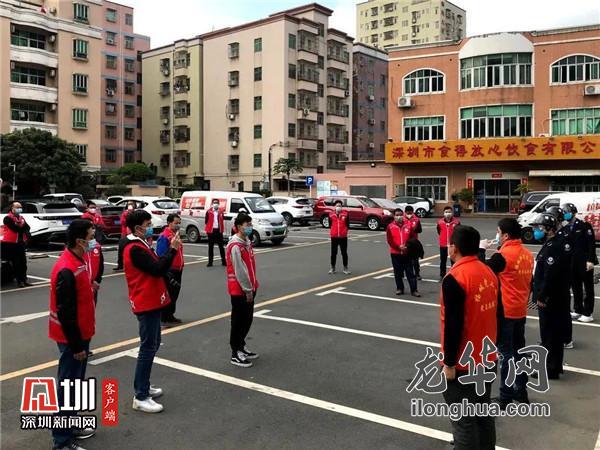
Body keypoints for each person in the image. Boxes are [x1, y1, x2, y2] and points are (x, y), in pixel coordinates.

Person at [440, 225, 498, 450]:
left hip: (464, 365)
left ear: (453, 248)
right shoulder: (488, 272)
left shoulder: (455, 278)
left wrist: (449, 363)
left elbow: (453, 326)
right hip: (487, 358)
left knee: (464, 421)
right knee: (483, 414)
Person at [123, 210, 181, 413]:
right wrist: (172, 250)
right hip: (145, 302)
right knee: (148, 347)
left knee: (153, 343)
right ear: (137, 228)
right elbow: (157, 269)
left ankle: (144, 386)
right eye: (147, 224)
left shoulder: (141, 243)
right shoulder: (134, 248)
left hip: (152, 301)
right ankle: (140, 396)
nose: (150, 227)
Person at [48, 219, 97, 450]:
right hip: (71, 338)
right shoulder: (66, 268)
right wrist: (77, 346)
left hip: (82, 332)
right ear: (79, 241)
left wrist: (90, 287)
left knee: (75, 384)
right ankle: (61, 441)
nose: (94, 240)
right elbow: (65, 312)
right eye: (91, 236)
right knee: (67, 386)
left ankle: (71, 424)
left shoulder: (79, 259)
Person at [482, 219, 534, 410]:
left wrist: (481, 250)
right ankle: (521, 392)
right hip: (520, 309)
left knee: (506, 354)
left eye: (498, 232)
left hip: (505, 311)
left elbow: (482, 271)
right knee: (519, 352)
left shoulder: (503, 255)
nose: (497, 235)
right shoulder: (527, 254)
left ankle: (505, 396)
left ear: (505, 235)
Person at [531, 213, 572, 379]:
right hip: (553, 296)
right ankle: (552, 366)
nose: (536, 231)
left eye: (539, 228)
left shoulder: (553, 247)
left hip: (551, 298)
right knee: (550, 334)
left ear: (548, 229)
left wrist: (542, 296)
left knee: (550, 334)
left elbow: (550, 275)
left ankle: (551, 368)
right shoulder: (550, 244)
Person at [226, 212, 259, 367]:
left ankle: (241, 345)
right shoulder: (235, 246)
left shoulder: (246, 242)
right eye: (247, 225)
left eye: (250, 224)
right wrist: (247, 289)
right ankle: (235, 352)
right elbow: (239, 270)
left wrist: (253, 285)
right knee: (238, 321)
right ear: (239, 227)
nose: (250, 227)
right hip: (240, 290)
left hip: (250, 287)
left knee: (247, 319)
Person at [562, 203, 597, 325]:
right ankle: (578, 309)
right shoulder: (566, 228)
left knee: (588, 288)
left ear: (573, 213)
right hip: (572, 263)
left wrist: (591, 260)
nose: (565, 214)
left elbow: (591, 244)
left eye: (567, 212)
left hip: (585, 262)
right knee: (576, 287)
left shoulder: (584, 226)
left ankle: (588, 313)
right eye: (564, 212)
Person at [156, 214, 184, 325]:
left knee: (175, 293)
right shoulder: (164, 236)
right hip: (170, 269)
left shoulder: (175, 235)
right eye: (176, 223)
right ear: (169, 223)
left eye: (179, 223)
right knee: (169, 293)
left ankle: (170, 315)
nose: (178, 225)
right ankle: (165, 317)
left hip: (178, 268)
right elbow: (161, 254)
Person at [386, 208, 419, 297]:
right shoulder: (390, 227)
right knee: (397, 272)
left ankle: (414, 290)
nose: (399, 217)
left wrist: (407, 247)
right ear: (394, 216)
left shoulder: (408, 226)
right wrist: (398, 247)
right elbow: (390, 240)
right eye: (397, 215)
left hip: (407, 253)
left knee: (410, 272)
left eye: (400, 215)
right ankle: (400, 288)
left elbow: (412, 238)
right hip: (395, 253)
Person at [2, 201, 31, 287]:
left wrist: (22, 228)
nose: (19, 209)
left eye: (20, 207)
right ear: (12, 209)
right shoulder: (7, 218)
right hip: (10, 244)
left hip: (20, 243)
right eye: (17, 207)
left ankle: (24, 279)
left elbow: (28, 227)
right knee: (16, 263)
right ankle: (19, 281)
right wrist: (23, 228)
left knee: (23, 263)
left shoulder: (21, 218)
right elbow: (15, 229)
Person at [437, 206, 460, 279]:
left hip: (453, 244)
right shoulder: (440, 222)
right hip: (443, 244)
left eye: (449, 212)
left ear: (452, 213)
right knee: (443, 261)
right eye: (446, 212)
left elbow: (459, 232)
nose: (448, 213)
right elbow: (439, 231)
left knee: (453, 261)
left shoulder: (456, 222)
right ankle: (442, 275)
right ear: (444, 213)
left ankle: (454, 275)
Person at [329, 200, 350, 275]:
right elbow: (330, 224)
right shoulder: (331, 215)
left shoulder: (345, 214)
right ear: (335, 207)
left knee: (344, 253)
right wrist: (333, 232)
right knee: (333, 253)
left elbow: (347, 225)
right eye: (337, 206)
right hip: (334, 237)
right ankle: (333, 268)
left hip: (343, 237)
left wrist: (345, 232)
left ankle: (345, 268)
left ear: (341, 207)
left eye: (340, 206)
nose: (338, 207)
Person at [114, 200, 136, 271]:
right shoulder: (125, 213)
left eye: (131, 204)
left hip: (133, 234)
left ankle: (133, 264)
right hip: (125, 234)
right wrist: (128, 215)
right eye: (129, 204)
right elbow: (122, 222)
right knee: (121, 249)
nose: (130, 205)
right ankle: (120, 265)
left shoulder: (136, 213)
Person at [404, 205, 423, 281]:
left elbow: (420, 230)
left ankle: (417, 274)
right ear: (405, 212)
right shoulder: (403, 219)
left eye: (410, 213)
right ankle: (408, 273)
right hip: (405, 241)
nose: (409, 214)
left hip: (414, 242)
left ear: (412, 212)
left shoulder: (416, 220)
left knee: (415, 260)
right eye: (407, 213)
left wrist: (415, 229)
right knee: (406, 259)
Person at [205, 199, 226, 267]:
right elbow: (206, 221)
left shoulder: (221, 211)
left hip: (219, 231)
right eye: (214, 203)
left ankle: (224, 261)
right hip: (211, 231)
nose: (215, 204)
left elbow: (222, 219)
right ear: (212, 204)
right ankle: (210, 262)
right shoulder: (209, 211)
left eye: (217, 203)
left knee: (221, 246)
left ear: (218, 204)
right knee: (211, 247)